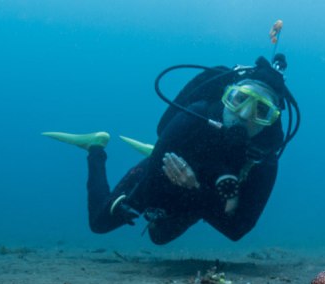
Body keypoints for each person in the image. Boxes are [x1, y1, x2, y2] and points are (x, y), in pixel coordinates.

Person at [43, 55, 299, 244]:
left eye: (262, 111)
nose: (244, 115)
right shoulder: (196, 115)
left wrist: (196, 189)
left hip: (195, 198)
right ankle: (95, 147)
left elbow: (237, 231)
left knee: (158, 237)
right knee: (100, 223)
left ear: (272, 120)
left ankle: (159, 168)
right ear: (226, 95)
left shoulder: (264, 160)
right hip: (164, 169)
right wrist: (130, 201)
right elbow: (156, 170)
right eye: (240, 99)